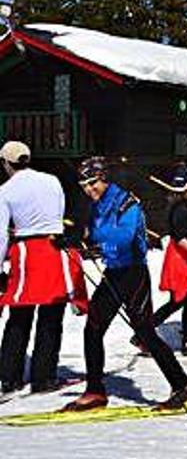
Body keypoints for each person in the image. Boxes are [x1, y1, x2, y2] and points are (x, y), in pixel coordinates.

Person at [63, 157, 187, 412]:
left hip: (133, 273)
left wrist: (93, 242)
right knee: (93, 327)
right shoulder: (98, 204)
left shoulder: (127, 203)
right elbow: (91, 231)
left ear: (104, 178)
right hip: (114, 272)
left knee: (145, 331)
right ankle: (94, 391)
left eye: (93, 183)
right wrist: (73, 236)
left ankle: (182, 384)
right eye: (84, 185)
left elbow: (123, 238)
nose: (89, 190)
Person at [0, 141, 87, 394]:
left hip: (27, 253)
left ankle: (9, 376)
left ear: (6, 163)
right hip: (54, 249)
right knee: (51, 318)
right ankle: (43, 376)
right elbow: (58, 216)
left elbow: (2, 235)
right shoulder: (52, 181)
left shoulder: (5, 190)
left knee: (19, 316)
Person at [133, 164, 187, 357]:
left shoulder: (184, 205)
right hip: (181, 259)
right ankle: (142, 335)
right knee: (179, 300)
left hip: (184, 257)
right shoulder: (180, 209)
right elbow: (179, 236)